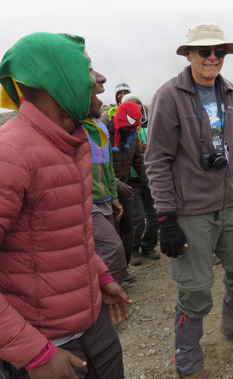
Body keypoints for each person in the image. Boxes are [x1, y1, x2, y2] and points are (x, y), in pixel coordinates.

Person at [0, 32, 131, 378]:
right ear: (53, 81)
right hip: (45, 345)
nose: (100, 79)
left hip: (94, 329)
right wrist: (34, 354)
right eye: (87, 69)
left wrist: (100, 277)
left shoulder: (74, 143)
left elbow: (66, 235)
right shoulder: (10, 155)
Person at [145, 23, 233, 379]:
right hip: (189, 210)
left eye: (220, 51)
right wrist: (166, 217)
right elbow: (157, 161)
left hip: (231, 204)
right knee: (196, 289)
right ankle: (188, 359)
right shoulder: (169, 96)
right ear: (188, 54)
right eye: (205, 51)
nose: (213, 57)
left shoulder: (230, 93)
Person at [85, 105, 128, 285]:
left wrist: (114, 198)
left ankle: (106, 289)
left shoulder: (101, 129)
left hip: (105, 201)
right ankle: (107, 291)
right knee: (113, 247)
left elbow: (108, 169)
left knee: (103, 249)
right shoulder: (73, 130)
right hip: (88, 203)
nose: (100, 98)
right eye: (93, 92)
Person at [121, 93, 161, 265]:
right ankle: (134, 248)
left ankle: (149, 245)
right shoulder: (122, 129)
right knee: (136, 217)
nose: (136, 106)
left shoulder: (149, 125)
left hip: (151, 176)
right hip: (132, 179)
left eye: (138, 103)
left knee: (154, 215)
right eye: (131, 104)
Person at [107, 101, 145, 270]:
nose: (131, 131)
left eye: (134, 128)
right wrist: (116, 183)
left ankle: (124, 268)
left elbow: (138, 160)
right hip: (105, 190)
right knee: (111, 232)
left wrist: (148, 179)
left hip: (124, 186)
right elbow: (98, 165)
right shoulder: (102, 131)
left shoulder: (132, 132)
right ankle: (112, 273)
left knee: (128, 228)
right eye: (129, 128)